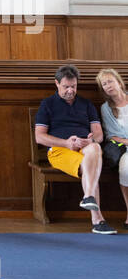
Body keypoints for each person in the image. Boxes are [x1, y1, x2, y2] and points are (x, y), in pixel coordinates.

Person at [35, 65, 115, 234]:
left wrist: (91, 140)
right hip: (59, 150)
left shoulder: (86, 104)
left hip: (84, 146)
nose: (71, 90)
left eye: (74, 86)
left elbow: (99, 135)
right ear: (57, 83)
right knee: (92, 164)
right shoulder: (47, 104)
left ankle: (88, 197)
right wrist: (66, 143)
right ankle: (97, 220)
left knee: (94, 148)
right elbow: (40, 137)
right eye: (66, 87)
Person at [97, 68, 128, 224]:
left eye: (110, 81)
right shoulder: (106, 108)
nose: (108, 85)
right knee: (126, 169)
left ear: (119, 81)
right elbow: (111, 135)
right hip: (124, 148)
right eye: (104, 84)